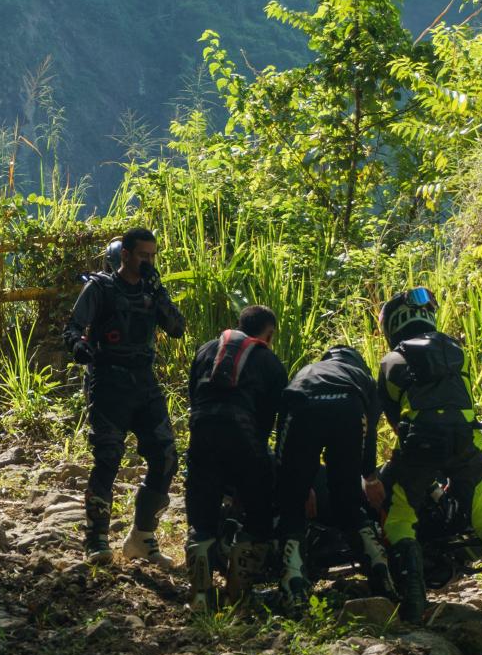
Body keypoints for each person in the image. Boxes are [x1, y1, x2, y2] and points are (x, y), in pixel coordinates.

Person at [375, 288, 482, 637]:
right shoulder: (457, 350)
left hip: (419, 444)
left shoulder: (390, 362)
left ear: (392, 324)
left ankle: (413, 611)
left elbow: (394, 417)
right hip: (466, 444)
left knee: (399, 517)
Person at [64, 227, 185, 566]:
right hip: (109, 382)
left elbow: (177, 329)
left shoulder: (152, 290)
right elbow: (72, 327)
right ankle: (97, 540)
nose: (148, 262)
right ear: (126, 255)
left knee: (166, 457)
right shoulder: (100, 288)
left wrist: (160, 296)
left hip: (145, 383)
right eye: (143, 255)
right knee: (108, 458)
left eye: (153, 256)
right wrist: (80, 346)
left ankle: (142, 537)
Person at [275, 345, 395, 609]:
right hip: (349, 407)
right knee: (347, 499)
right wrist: (370, 478)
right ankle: (380, 568)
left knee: (291, 503)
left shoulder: (306, 370)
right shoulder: (363, 378)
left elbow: (282, 430)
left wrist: (298, 483)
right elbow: (369, 435)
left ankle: (292, 583)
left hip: (303, 403)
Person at [185, 305, 288, 609]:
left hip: (202, 433)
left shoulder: (206, 350)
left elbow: (194, 395)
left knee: (201, 515)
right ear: (267, 334)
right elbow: (273, 419)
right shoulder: (268, 360)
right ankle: (238, 593)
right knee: (258, 516)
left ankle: (201, 594)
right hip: (244, 438)